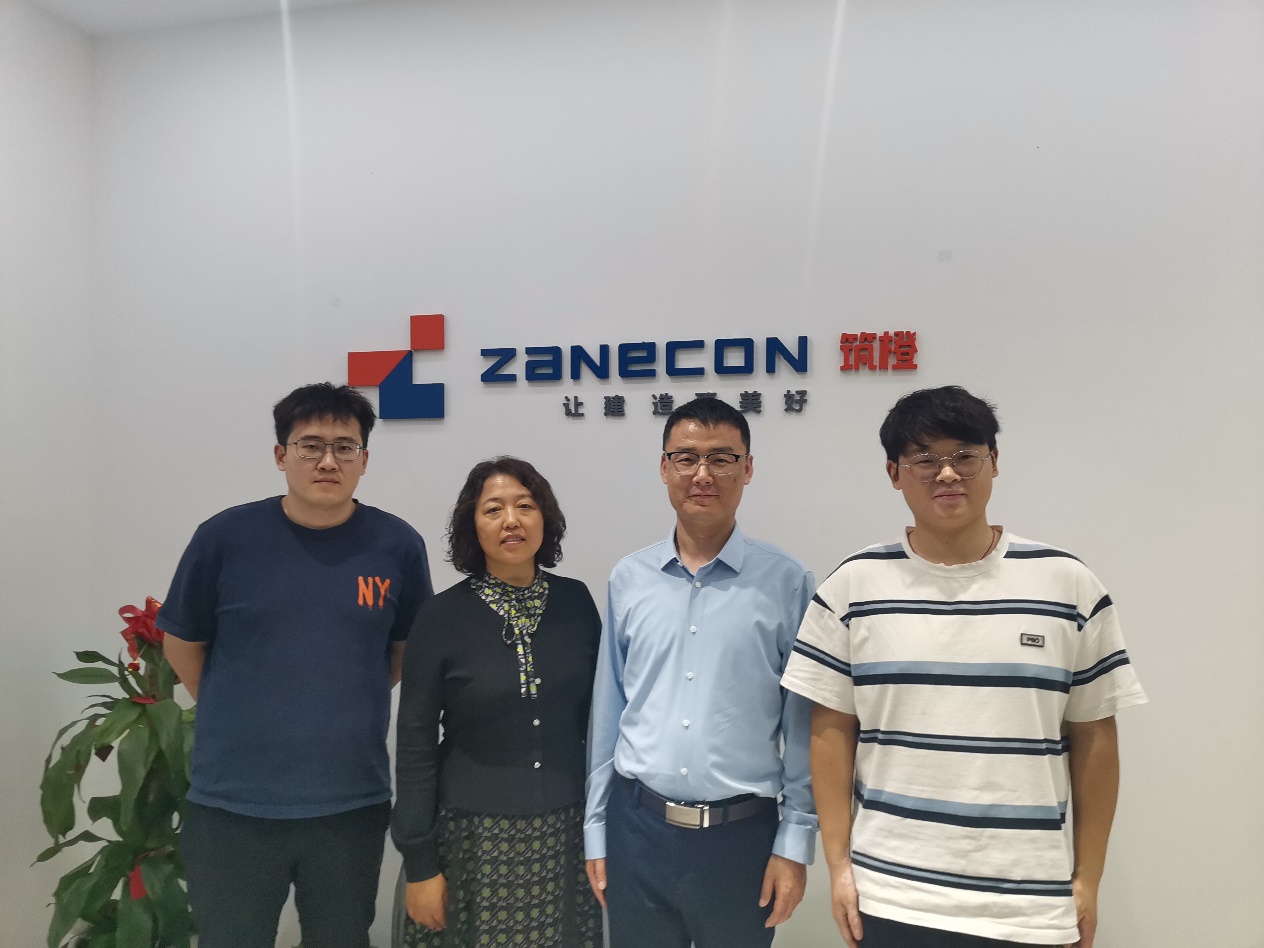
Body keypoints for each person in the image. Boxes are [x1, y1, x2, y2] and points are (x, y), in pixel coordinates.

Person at [781, 385, 1148, 948]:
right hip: (890, 894)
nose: (947, 473)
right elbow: (831, 730)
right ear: (894, 473)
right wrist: (839, 867)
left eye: (964, 456)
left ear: (994, 462)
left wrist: (1088, 878)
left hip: (1027, 905)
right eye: (924, 459)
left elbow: (1096, 734)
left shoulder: (1067, 584)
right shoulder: (851, 587)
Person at [157, 382, 433, 948]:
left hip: (349, 804)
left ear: (364, 460)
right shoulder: (224, 538)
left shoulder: (397, 545)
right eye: (311, 446)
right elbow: (182, 644)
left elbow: (402, 651)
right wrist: (241, 705)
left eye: (344, 447)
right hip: (233, 804)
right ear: (281, 455)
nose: (328, 461)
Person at [585, 396, 818, 948]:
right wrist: (597, 829)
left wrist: (795, 842)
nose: (703, 474)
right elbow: (608, 712)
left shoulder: (786, 583)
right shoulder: (629, 578)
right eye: (686, 458)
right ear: (664, 468)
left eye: (722, 458)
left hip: (743, 840)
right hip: (637, 831)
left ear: (748, 468)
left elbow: (803, 726)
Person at [393, 456, 603, 948]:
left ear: (544, 518)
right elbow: (415, 745)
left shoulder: (577, 602)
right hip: (472, 836)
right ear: (473, 526)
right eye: (493, 509)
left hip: (566, 830)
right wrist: (420, 863)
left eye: (525, 506)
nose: (511, 520)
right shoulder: (440, 617)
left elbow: (598, 724)